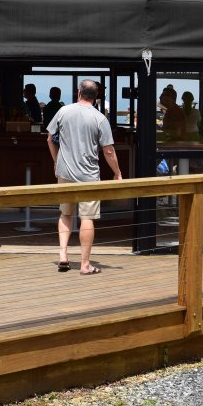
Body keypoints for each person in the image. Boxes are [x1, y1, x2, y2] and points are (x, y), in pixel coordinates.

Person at [46, 79, 122, 276]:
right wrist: (117, 172)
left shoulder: (64, 111)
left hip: (64, 172)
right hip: (88, 175)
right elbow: (108, 151)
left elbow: (49, 138)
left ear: (79, 92)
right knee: (87, 217)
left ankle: (63, 256)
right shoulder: (99, 118)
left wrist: (56, 161)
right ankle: (85, 264)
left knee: (65, 213)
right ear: (96, 97)